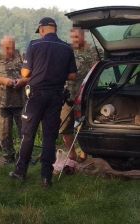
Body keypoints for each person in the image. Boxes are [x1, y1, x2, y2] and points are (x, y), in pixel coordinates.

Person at [9, 17, 77, 188]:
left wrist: (39, 71)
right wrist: (57, 72)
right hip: (56, 97)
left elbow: (25, 73)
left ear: (42, 29)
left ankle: (20, 171)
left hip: (36, 96)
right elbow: (73, 75)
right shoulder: (67, 48)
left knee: (28, 134)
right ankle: (46, 177)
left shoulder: (34, 45)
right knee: (49, 137)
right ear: (54, 29)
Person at [60, 27, 102, 161]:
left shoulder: (95, 52)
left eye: (77, 37)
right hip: (68, 96)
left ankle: (85, 152)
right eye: (72, 37)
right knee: (64, 126)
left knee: (84, 126)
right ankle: (71, 153)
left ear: (83, 36)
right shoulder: (66, 51)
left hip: (86, 97)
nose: (74, 40)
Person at [0, 36, 27, 164]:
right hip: (2, 103)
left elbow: (32, 75)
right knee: (3, 133)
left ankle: (24, 156)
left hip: (21, 102)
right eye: (7, 47)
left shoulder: (22, 56)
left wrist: (22, 81)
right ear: (2, 46)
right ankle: (8, 157)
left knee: (25, 131)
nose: (10, 50)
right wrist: (4, 81)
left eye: (12, 47)